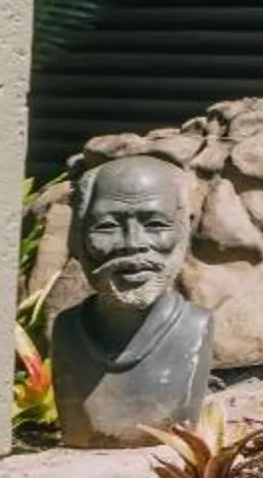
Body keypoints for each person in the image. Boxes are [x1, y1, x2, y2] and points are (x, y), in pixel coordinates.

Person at [54, 153, 216, 446]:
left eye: (155, 223)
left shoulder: (196, 328)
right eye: (106, 226)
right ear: (77, 233)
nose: (132, 243)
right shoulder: (66, 330)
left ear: (186, 228)